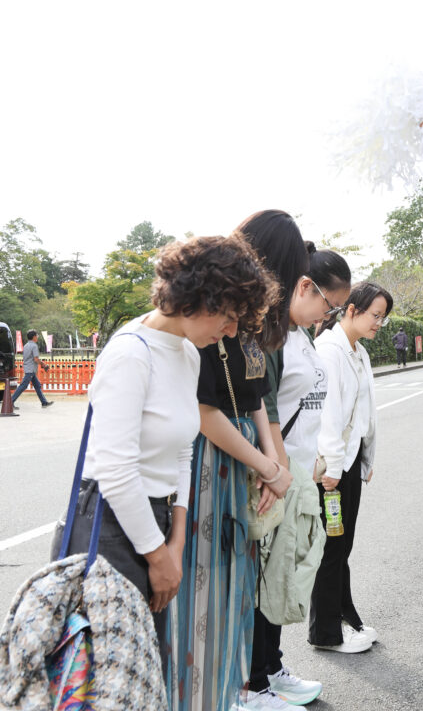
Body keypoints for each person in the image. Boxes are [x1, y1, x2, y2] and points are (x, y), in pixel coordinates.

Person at [51, 235, 275, 682]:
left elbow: (184, 450)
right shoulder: (130, 352)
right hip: (110, 525)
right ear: (197, 298)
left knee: (140, 673)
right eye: (228, 316)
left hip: (156, 522)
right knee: (107, 680)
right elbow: (115, 470)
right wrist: (159, 556)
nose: (231, 331)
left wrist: (176, 539)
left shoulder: (189, 354)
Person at [175, 227, 294, 711]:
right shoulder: (205, 327)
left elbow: (257, 400)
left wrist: (273, 466)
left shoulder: (243, 326)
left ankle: (236, 690)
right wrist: (267, 464)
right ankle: (210, 694)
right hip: (213, 464)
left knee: (237, 582)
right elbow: (205, 413)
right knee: (207, 585)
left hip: (245, 460)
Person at [244, 219, 351, 710]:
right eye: (327, 306)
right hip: (274, 476)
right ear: (304, 285)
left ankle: (270, 666)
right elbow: (262, 410)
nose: (326, 316)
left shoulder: (298, 335)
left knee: (284, 576)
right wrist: (276, 467)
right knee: (266, 580)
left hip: (295, 473)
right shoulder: (275, 338)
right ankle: (256, 679)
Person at [308, 281, 393, 653]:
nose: (379, 323)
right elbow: (327, 414)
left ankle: (347, 620)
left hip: (348, 460)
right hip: (333, 466)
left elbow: (364, 414)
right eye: (376, 315)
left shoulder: (357, 351)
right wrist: (334, 468)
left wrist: (366, 460)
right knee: (331, 547)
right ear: (352, 310)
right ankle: (325, 633)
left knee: (342, 545)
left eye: (383, 318)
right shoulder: (329, 351)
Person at [10, 330, 53, 409]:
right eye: (37, 336)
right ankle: (10, 402)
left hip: (28, 368)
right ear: (34, 337)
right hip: (31, 370)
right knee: (23, 386)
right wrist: (44, 365)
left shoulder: (26, 345)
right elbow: (36, 359)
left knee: (37, 385)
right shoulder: (34, 346)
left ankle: (44, 402)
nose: (37, 338)